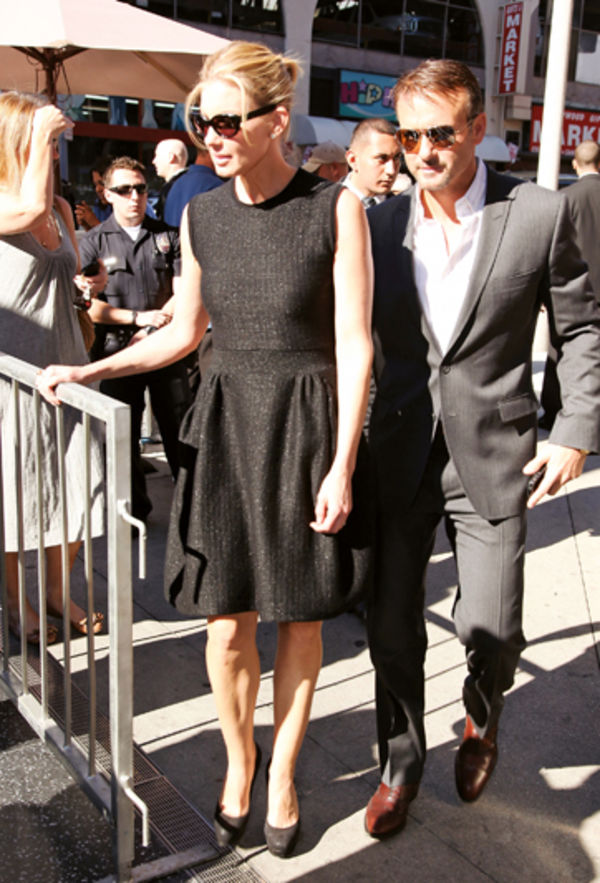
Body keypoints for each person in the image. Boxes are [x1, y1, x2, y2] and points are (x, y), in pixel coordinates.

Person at [37, 40, 373, 857]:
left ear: (276, 121)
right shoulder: (201, 216)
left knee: (297, 616)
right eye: (200, 122)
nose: (210, 136)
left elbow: (355, 343)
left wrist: (342, 463)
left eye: (226, 121)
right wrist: (92, 366)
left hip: (304, 423)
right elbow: (185, 330)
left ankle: (284, 771)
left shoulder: (335, 208)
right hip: (224, 425)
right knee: (225, 624)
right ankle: (239, 759)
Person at [364, 59, 600, 838]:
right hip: (399, 450)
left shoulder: (536, 212)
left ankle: (482, 712)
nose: (423, 151)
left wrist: (574, 430)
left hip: (496, 452)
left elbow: (582, 328)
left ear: (477, 128)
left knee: (493, 627)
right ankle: (400, 763)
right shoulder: (378, 223)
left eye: (439, 133)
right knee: (392, 628)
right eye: (408, 137)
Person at [0, 92, 104, 644]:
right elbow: (28, 213)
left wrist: (86, 286)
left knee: (78, 485)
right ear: (18, 140)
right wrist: (42, 130)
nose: (57, 150)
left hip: (68, 366)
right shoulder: (11, 205)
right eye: (47, 140)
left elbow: (66, 270)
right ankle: (17, 605)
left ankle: (58, 592)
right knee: (17, 490)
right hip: (13, 374)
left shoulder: (60, 207)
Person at [80, 156, 191, 524]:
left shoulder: (169, 236)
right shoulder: (93, 242)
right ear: (107, 194)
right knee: (121, 436)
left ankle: (191, 512)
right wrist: (136, 319)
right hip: (117, 350)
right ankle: (131, 515)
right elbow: (89, 307)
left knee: (179, 430)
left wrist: (152, 329)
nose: (134, 197)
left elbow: (184, 293)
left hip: (165, 346)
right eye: (124, 189)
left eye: (141, 189)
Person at [540, 138, 600, 429]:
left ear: (575, 164)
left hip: (573, 288)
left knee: (561, 348)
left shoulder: (564, 199)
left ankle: (555, 411)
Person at [343, 118, 402, 207]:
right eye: (381, 158)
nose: (391, 171)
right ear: (353, 160)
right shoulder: (327, 204)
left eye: (396, 158)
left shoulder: (404, 209)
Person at [75, 162, 113, 231]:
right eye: (95, 185)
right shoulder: (99, 205)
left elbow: (116, 237)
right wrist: (87, 226)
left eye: (102, 184)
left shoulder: (126, 208)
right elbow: (97, 236)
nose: (97, 189)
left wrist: (94, 223)